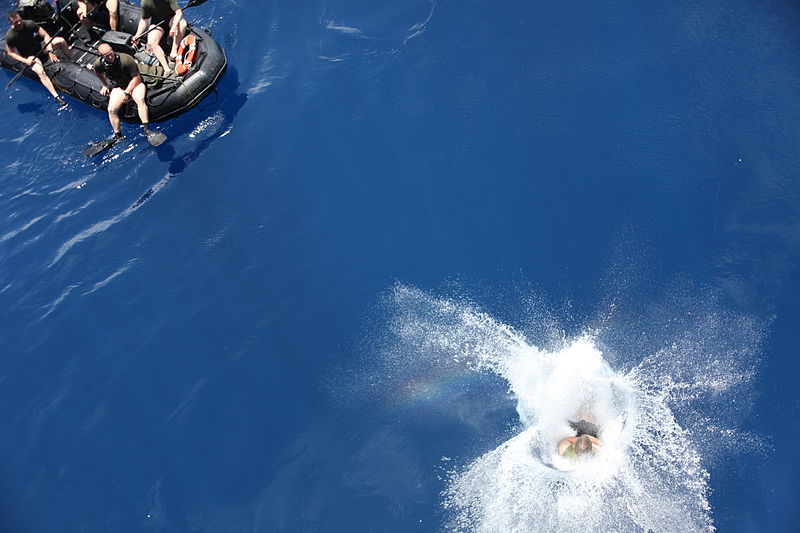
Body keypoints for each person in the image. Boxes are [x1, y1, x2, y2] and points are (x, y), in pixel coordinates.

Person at [93, 43, 162, 142]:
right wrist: (105, 85)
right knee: (111, 109)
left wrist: (127, 92)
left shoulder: (125, 59)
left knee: (140, 99)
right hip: (121, 86)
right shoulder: (99, 64)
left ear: (112, 49)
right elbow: (98, 72)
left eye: (110, 53)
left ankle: (147, 129)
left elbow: (136, 78)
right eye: (106, 55)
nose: (110, 56)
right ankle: (118, 136)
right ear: (101, 56)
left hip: (135, 84)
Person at [4, 10, 73, 107]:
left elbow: (45, 35)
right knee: (40, 71)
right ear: (11, 23)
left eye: (19, 20)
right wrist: (26, 61)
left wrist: (50, 51)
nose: (19, 23)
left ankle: (72, 61)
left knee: (61, 41)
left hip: (40, 47)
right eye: (16, 22)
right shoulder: (11, 36)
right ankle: (57, 97)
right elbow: (11, 53)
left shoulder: (29, 24)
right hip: (30, 56)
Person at [132, 0, 186, 75]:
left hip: (171, 20)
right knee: (151, 42)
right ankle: (167, 69)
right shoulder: (145, 3)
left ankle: (173, 52)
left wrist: (173, 27)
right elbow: (144, 20)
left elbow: (178, 12)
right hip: (158, 24)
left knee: (182, 24)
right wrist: (137, 35)